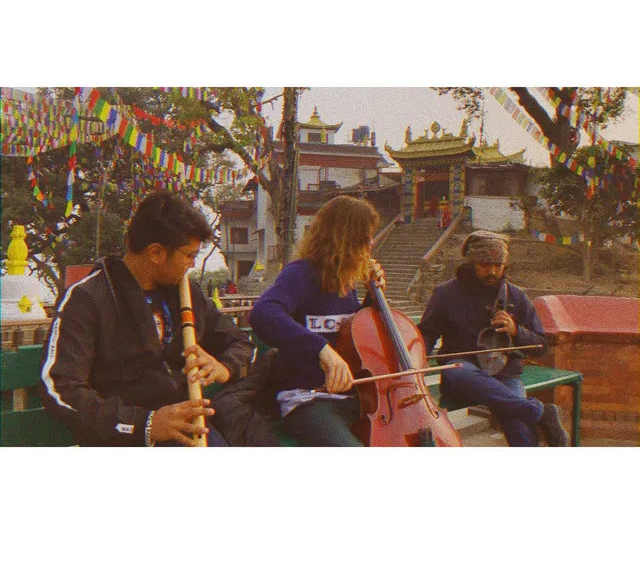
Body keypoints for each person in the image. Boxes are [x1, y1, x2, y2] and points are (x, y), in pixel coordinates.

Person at [40, 190, 254, 447]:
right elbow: (60, 389)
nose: (192, 265)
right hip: (123, 440)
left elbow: (242, 342)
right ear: (156, 253)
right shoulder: (87, 298)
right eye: (189, 255)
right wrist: (147, 424)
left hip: (190, 432)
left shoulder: (187, 292)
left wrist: (225, 366)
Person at [248, 195, 386, 446]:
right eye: (365, 238)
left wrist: (373, 297)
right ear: (345, 240)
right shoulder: (300, 274)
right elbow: (263, 312)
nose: (371, 243)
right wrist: (321, 350)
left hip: (352, 396)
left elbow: (352, 335)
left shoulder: (347, 282)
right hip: (309, 399)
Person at [418, 230, 569, 447]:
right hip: (462, 374)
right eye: (484, 264)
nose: (492, 271)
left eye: (498, 265)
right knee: (458, 369)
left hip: (504, 374)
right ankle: (540, 411)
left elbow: (541, 346)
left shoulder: (516, 296)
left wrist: (516, 331)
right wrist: (413, 358)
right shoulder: (445, 294)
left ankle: (533, 419)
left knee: (522, 433)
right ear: (470, 263)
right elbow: (426, 334)